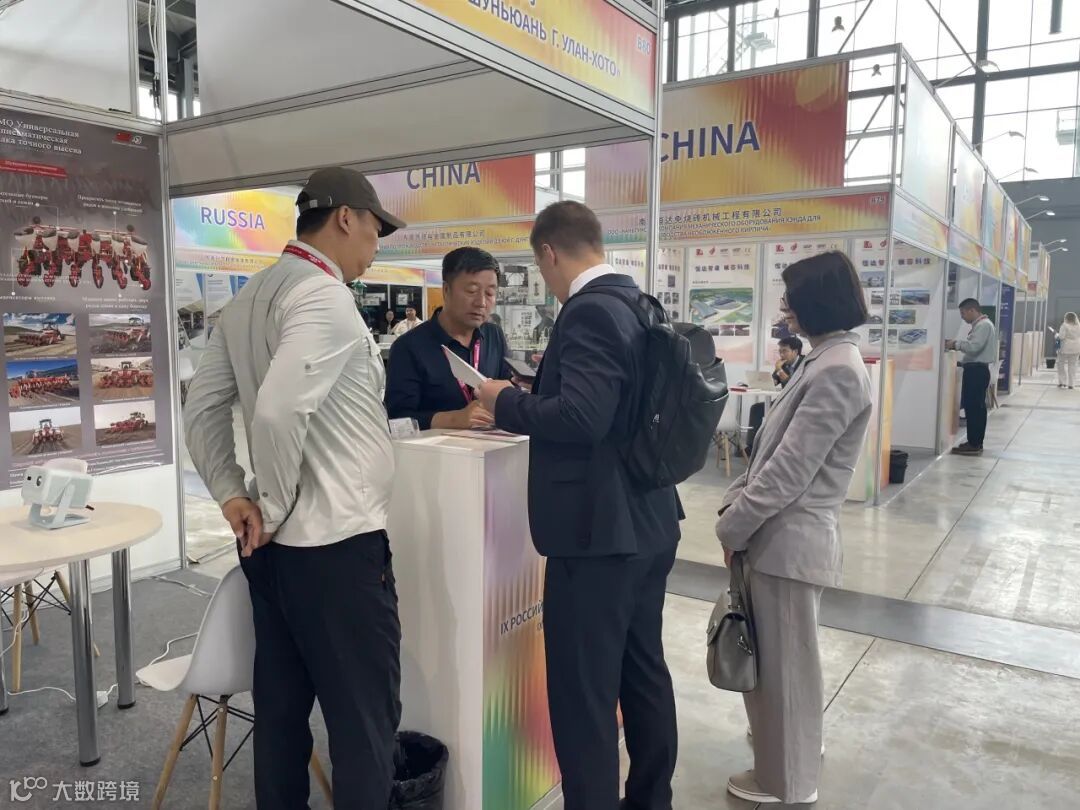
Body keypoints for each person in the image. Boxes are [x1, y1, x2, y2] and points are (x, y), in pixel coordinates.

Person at [183, 167, 406, 810]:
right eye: (375, 229)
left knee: (280, 716)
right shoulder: (324, 296)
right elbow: (278, 413)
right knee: (363, 724)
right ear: (345, 218)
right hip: (336, 548)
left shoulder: (248, 298)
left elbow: (202, 408)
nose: (376, 245)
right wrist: (274, 508)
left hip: (274, 557)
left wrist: (234, 495)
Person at [477, 202, 681, 810]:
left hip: (597, 537)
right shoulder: (639, 303)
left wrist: (502, 400)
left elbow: (582, 417)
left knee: (584, 696)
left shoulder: (589, 310)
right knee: (643, 674)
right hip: (649, 520)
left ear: (548, 253)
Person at [716, 251, 871, 805]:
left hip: (789, 541)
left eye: (791, 300)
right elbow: (768, 454)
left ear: (816, 302)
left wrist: (733, 526)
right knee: (783, 665)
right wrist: (736, 508)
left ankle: (787, 781)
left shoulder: (837, 370)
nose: (785, 309)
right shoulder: (821, 360)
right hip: (776, 538)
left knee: (786, 672)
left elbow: (787, 473)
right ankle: (789, 755)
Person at [385, 247, 512, 430]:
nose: (481, 302)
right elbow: (397, 419)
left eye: (490, 294)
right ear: (446, 290)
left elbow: (506, 387)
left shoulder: (494, 336)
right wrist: (454, 419)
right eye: (471, 291)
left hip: (493, 444)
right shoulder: (408, 347)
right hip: (436, 448)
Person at [945, 298, 997, 456]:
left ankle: (975, 444)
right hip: (975, 370)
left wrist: (955, 344)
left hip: (977, 372)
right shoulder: (981, 325)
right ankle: (974, 441)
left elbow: (974, 347)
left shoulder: (983, 325)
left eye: (963, 313)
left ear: (972, 310)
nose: (962, 317)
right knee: (973, 408)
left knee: (975, 408)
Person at [745, 336, 804, 456]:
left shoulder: (804, 364)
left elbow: (794, 386)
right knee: (756, 409)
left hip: (799, 403)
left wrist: (779, 370)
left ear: (795, 351)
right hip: (783, 401)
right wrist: (759, 381)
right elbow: (774, 382)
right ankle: (751, 447)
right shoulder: (783, 365)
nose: (781, 355)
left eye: (785, 351)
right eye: (780, 351)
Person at [1056, 312, 1080, 389]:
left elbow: (1061, 337)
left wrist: (1056, 335)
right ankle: (1071, 384)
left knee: (1060, 364)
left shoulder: (1064, 325)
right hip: (1076, 348)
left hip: (1065, 348)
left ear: (1066, 318)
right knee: (1073, 366)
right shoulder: (1078, 326)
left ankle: (1062, 382)